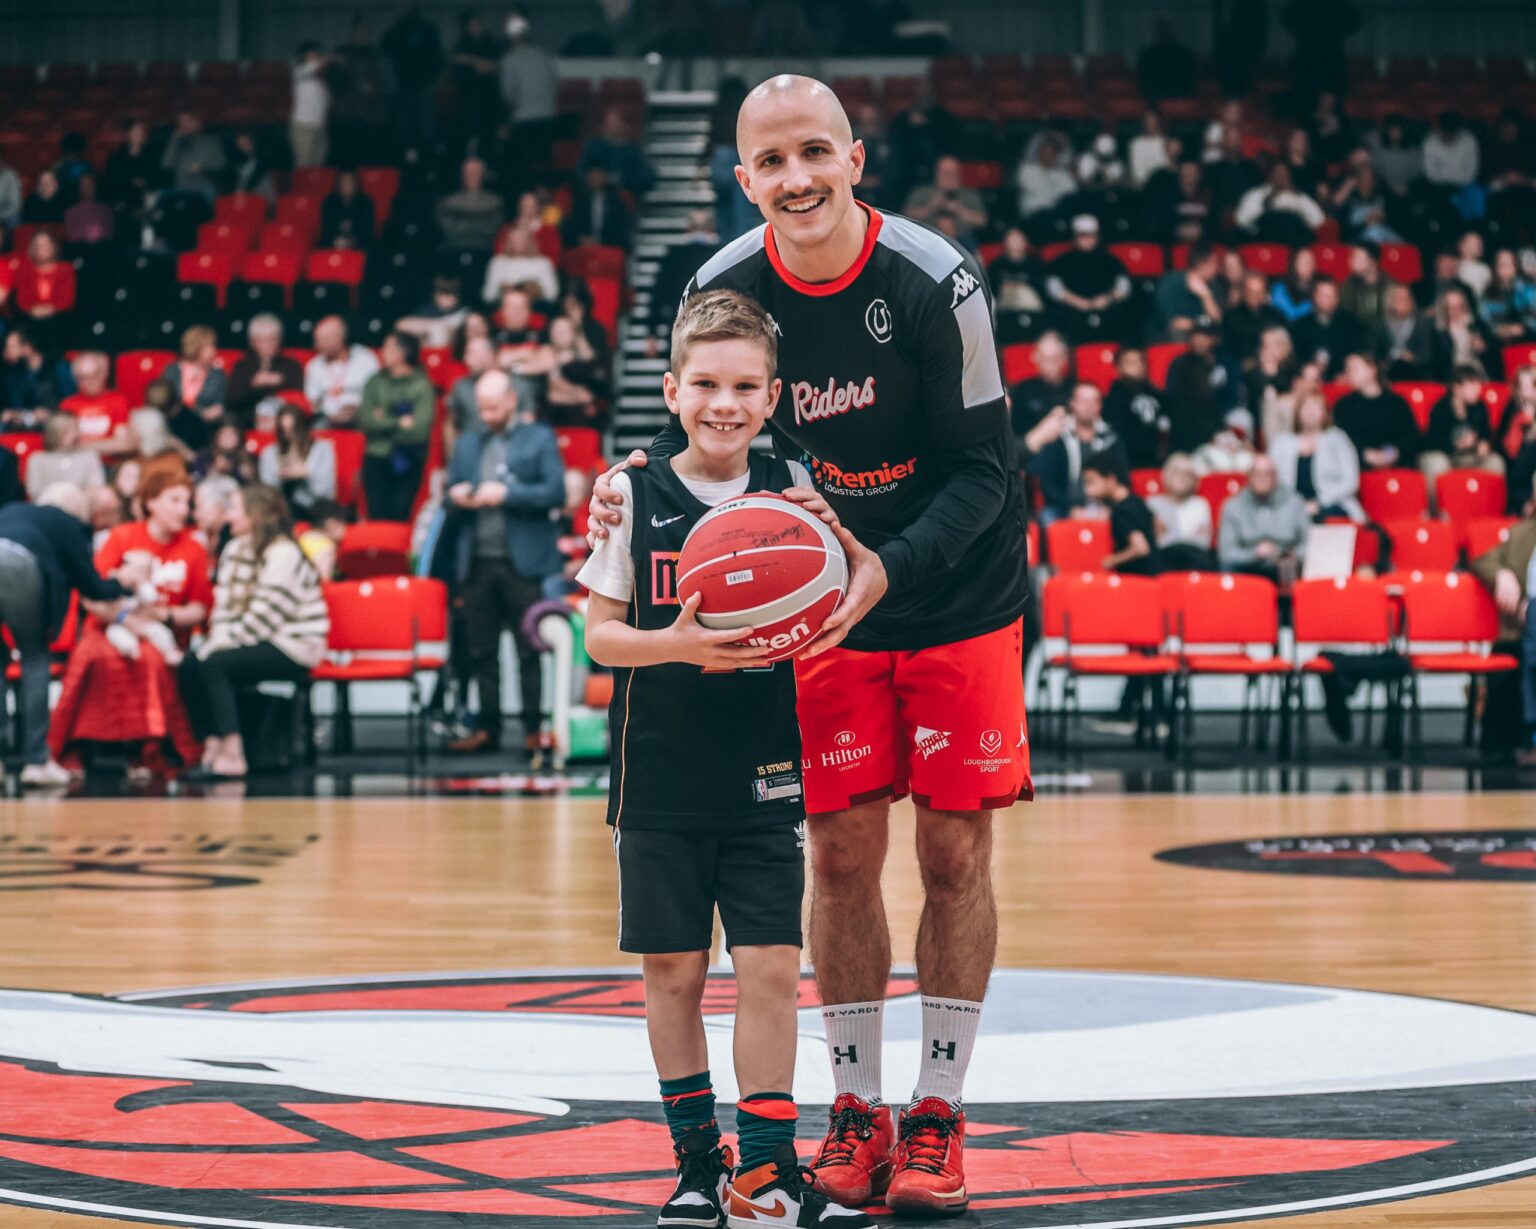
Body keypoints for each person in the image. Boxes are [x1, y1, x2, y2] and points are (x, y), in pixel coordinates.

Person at [589, 75, 1031, 1214]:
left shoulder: (937, 279)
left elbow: (986, 471)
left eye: (815, 153)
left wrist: (890, 563)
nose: (797, 179)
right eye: (773, 162)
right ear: (743, 179)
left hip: (958, 588)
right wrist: (628, 488)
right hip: (820, 597)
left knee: (955, 854)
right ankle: (855, 1107)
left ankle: (938, 1113)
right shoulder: (721, 285)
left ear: (853, 158)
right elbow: (702, 422)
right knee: (836, 854)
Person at [577, 289, 863, 1229]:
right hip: (658, 770)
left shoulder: (792, 491)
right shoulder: (630, 493)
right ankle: (699, 1163)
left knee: (773, 966)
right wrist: (678, 644)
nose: (724, 404)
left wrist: (831, 544)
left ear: (773, 397)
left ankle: (769, 1172)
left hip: (765, 768)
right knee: (673, 973)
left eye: (745, 387)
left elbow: (835, 593)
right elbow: (600, 637)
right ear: (672, 390)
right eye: (704, 384)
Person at [49, 472, 213, 775]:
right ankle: (75, 745)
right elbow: (90, 594)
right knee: (91, 657)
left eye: (188, 503)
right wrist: (125, 619)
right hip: (108, 624)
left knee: (150, 660)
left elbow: (200, 608)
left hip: (160, 632)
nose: (183, 509)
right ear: (151, 503)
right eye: (175, 500)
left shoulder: (193, 549)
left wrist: (164, 616)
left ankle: (146, 749)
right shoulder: (122, 537)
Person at [441, 370, 564, 755]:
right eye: (481, 407)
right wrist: (456, 495)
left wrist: (507, 494)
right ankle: (487, 728)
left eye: (493, 407)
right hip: (476, 561)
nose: (486, 414)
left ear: (511, 400)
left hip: (522, 562)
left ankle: (533, 729)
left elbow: (555, 492)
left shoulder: (539, 437)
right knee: (481, 651)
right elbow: (447, 495)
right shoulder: (466, 443)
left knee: (529, 650)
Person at [178, 484, 328, 779]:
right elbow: (224, 606)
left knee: (213, 663)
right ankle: (212, 746)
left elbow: (266, 615)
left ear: (255, 514)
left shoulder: (284, 552)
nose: (228, 516)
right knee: (190, 663)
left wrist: (220, 644)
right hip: (251, 638)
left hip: (292, 644)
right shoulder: (234, 549)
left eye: (234, 509)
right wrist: (216, 640)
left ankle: (234, 753)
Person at [0, 486, 141, 787]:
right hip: (20, 567)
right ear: (76, 509)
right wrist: (123, 583)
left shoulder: (12, 509)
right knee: (34, 657)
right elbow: (92, 587)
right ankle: (37, 761)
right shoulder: (68, 523)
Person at [1468, 506, 1536, 765]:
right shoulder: (1522, 534)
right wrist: (1502, 573)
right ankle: (1528, 737)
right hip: (1524, 627)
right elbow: (1483, 560)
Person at [1026, 381, 1127, 525]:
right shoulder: (1057, 436)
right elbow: (1047, 483)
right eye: (1084, 401)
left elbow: (1122, 478)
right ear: (1072, 403)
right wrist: (1070, 509)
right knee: (1048, 518)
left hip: (1104, 507)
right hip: (1063, 507)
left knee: (1126, 519)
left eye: (1094, 401)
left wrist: (1109, 508)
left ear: (1100, 405)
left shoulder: (1111, 438)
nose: (1089, 406)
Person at [360, 330, 436, 521]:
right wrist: (398, 421)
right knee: (376, 516)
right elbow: (366, 421)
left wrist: (382, 419)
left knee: (400, 515)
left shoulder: (421, 385)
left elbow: (419, 431)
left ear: (401, 353)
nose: (382, 352)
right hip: (376, 458)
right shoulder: (375, 382)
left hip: (409, 459)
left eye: (387, 347)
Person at [1268, 393, 1366, 521]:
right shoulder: (1282, 443)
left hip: (1332, 504)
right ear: (1297, 412)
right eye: (1306, 406)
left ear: (1325, 412)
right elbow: (1271, 480)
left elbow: (1350, 482)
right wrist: (1296, 505)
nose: (1310, 411)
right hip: (1289, 508)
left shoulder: (1338, 439)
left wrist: (1319, 502)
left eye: (1316, 406)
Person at [1217, 453, 1309, 580]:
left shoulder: (1294, 503)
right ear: (1249, 477)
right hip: (1248, 565)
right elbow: (1227, 553)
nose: (1262, 479)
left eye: (1267, 474)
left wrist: (1292, 554)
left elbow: (1309, 544)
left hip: (1285, 563)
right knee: (1228, 568)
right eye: (1257, 474)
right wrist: (1255, 553)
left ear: (1276, 477)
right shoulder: (1233, 506)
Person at [1044, 214, 1132, 341]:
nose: (1086, 240)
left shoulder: (1111, 261)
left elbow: (1123, 287)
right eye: (1082, 236)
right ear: (1075, 237)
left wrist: (1108, 298)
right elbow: (1054, 288)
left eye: (1090, 236)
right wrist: (1077, 301)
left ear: (1098, 236)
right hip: (1071, 311)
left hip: (1106, 309)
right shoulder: (1061, 261)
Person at [1422, 366, 1505, 494]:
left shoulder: (1480, 407)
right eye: (1472, 385)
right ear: (1457, 387)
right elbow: (1433, 441)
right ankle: (1440, 505)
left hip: (1471, 456)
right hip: (1447, 455)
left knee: (1496, 462)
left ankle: (1491, 503)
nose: (1478, 389)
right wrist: (1457, 445)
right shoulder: (1440, 409)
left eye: (1478, 384)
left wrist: (1484, 444)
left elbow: (1486, 434)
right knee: (1437, 464)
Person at [499, 9, 558, 186]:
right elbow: (555, 86)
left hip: (524, 124)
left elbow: (509, 96)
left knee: (521, 173)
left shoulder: (510, 59)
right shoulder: (545, 57)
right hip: (547, 121)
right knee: (543, 171)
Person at [1333, 353, 1420, 472]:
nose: (1349, 373)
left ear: (1372, 370)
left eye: (1354, 368)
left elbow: (1411, 436)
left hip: (1398, 465)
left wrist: (1390, 454)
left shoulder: (1396, 402)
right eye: (1347, 369)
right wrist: (1365, 454)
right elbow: (1341, 439)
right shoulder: (1343, 406)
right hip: (1356, 467)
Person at [258, 404, 337, 517]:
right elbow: (267, 492)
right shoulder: (270, 453)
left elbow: (327, 492)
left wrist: (306, 474)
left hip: (315, 509)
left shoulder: (322, 449)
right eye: (284, 430)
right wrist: (280, 476)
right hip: (283, 511)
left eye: (293, 429)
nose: (289, 435)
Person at [227, 315, 304, 428]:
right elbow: (233, 400)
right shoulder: (242, 366)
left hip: (282, 420)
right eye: (262, 340)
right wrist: (253, 384)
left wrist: (281, 382)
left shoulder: (291, 365)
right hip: (248, 420)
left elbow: (298, 399)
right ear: (252, 342)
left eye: (272, 339)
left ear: (279, 340)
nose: (268, 344)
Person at [304, 315, 379, 428]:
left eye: (322, 340)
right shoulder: (314, 366)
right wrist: (332, 415)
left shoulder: (365, 359)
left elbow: (376, 395)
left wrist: (359, 409)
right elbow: (313, 403)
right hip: (327, 419)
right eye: (316, 339)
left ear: (339, 338)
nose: (316, 345)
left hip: (362, 415)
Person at [163, 326, 228, 451]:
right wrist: (197, 413)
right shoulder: (172, 371)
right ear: (196, 347)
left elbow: (219, 406)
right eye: (209, 346)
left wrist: (213, 412)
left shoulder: (218, 375)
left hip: (204, 429)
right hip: (174, 424)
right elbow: (166, 402)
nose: (214, 350)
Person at [1102, 346, 1167, 469]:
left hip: (1157, 458)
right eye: (1129, 362)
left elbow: (1166, 425)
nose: (1135, 366)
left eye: (1139, 361)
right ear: (1118, 367)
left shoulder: (1158, 395)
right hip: (1128, 460)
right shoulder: (1113, 398)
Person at [903, 156, 987, 248]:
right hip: (926, 240)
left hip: (963, 242)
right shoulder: (922, 192)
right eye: (945, 172)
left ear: (959, 174)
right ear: (937, 173)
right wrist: (931, 207)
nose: (948, 176)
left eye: (952, 172)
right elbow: (907, 216)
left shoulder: (969, 194)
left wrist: (960, 210)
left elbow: (981, 220)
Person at [1148, 241, 1223, 342]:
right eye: (1215, 263)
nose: (1218, 269)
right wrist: (1201, 326)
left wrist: (1206, 296)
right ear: (1202, 264)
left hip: (1203, 339)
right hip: (1167, 337)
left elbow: (1217, 321)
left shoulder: (1214, 285)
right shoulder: (1170, 282)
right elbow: (1175, 324)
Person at [59, 352, 132, 455]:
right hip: (76, 461)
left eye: (94, 375)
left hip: (108, 462)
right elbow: (61, 445)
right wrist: (107, 444)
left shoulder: (118, 401)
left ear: (104, 373)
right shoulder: (67, 405)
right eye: (83, 377)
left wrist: (80, 445)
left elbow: (123, 444)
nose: (89, 381)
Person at [1291, 277, 1364, 378]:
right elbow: (1295, 358)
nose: (1327, 300)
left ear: (1337, 298)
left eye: (1331, 295)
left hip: (1344, 378)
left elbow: (1359, 354)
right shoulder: (1300, 326)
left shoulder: (1352, 324)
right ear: (1314, 297)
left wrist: (1347, 373)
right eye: (1323, 295)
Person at [15, 230, 76, 349]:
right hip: (31, 318)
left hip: (60, 318)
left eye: (47, 243)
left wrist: (51, 309)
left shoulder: (66, 268)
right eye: (39, 245)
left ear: (54, 246)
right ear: (33, 249)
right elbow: (22, 300)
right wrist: (33, 310)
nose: (44, 248)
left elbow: (68, 298)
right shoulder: (25, 270)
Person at [1008, 330, 1073, 441]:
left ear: (1064, 358)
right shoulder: (1022, 391)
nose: (1048, 365)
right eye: (1043, 358)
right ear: (1035, 357)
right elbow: (1016, 437)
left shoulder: (1075, 390)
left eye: (1054, 359)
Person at [1147, 452, 1216, 556]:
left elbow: (1202, 543)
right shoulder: (1152, 504)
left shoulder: (1200, 504)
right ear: (1165, 475)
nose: (1182, 477)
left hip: (1194, 558)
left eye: (1188, 473)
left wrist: (1167, 533)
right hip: (1161, 559)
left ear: (1195, 480)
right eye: (1176, 472)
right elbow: (1153, 543)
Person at [1236, 163, 1324, 243]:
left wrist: (1299, 200)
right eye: (1277, 173)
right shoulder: (1256, 194)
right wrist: (1266, 202)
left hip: (1294, 240)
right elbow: (1242, 220)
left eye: (1284, 174)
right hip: (1265, 239)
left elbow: (1318, 219)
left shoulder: (1298, 195)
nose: (1281, 177)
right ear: (1270, 174)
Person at [27, 414, 105, 500]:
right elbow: (35, 491)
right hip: (48, 505)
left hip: (81, 504)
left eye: (76, 429)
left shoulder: (89, 456)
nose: (75, 434)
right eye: (68, 430)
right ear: (54, 433)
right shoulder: (38, 459)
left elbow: (96, 487)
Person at [988, 227, 1045, 342]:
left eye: (1018, 238)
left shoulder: (1035, 264)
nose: (1015, 242)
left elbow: (1041, 291)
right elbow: (992, 292)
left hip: (1032, 310)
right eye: (1012, 238)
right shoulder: (996, 266)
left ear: (1025, 241)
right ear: (1005, 242)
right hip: (1005, 310)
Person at [481, 223, 559, 304]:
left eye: (522, 240)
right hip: (503, 305)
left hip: (535, 305)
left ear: (530, 241)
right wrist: (502, 289)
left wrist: (534, 290)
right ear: (508, 242)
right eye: (515, 240)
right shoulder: (498, 262)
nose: (518, 243)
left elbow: (552, 294)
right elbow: (488, 295)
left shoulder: (543, 263)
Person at [160, 111, 225, 201]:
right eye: (181, 123)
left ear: (197, 121)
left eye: (188, 122)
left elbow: (221, 164)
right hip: (181, 187)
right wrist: (174, 141)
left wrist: (202, 168)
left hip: (203, 187)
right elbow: (166, 165)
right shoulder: (177, 142)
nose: (185, 126)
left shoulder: (211, 141)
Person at [291, 42, 331, 168]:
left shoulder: (322, 81)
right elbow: (313, 67)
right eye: (312, 55)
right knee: (304, 163)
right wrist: (325, 60)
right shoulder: (299, 72)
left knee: (319, 163)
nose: (316, 57)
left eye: (317, 54)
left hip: (320, 126)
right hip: (304, 125)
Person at [318, 169, 375, 249]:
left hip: (360, 245)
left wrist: (352, 241)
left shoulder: (365, 203)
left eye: (350, 182)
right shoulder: (329, 203)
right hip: (333, 244)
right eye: (344, 183)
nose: (347, 186)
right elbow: (326, 231)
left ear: (356, 184)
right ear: (338, 185)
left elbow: (368, 232)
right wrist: (336, 241)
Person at [63, 172, 113, 246]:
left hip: (102, 248)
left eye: (90, 184)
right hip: (80, 248)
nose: (86, 188)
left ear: (95, 186)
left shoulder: (106, 210)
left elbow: (109, 234)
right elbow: (70, 236)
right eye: (83, 185)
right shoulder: (71, 212)